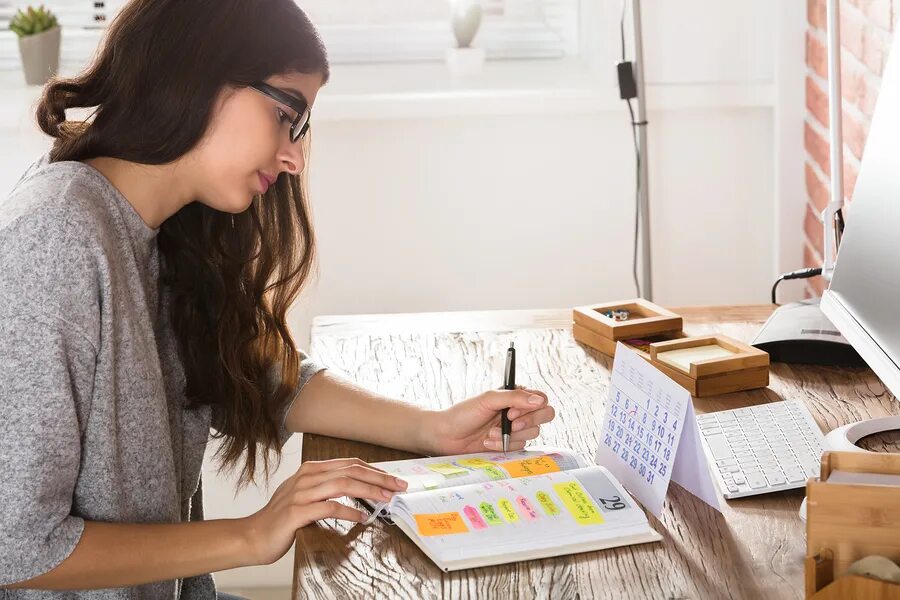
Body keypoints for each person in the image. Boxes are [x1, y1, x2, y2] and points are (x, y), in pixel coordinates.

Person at [0, 0, 556, 597]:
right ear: (196, 70)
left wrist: (435, 430)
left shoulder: (168, 228)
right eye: (284, 112)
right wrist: (251, 535)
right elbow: (18, 546)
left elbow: (268, 377)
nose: (292, 158)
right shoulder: (55, 237)